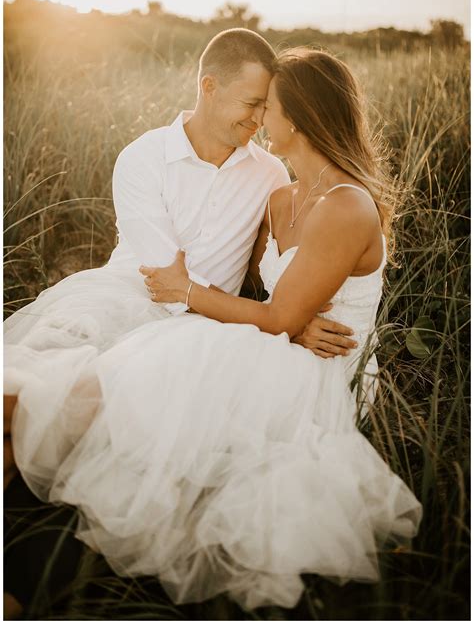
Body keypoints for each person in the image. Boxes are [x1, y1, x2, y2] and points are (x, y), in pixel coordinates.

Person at [6, 47, 422, 612]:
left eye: (266, 108)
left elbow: (277, 311)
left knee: (111, 393)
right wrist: (284, 323)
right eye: (255, 105)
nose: (258, 121)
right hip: (258, 335)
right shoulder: (280, 196)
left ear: (295, 118)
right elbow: (267, 298)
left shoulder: (341, 203)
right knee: (61, 393)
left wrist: (277, 323)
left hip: (322, 363)